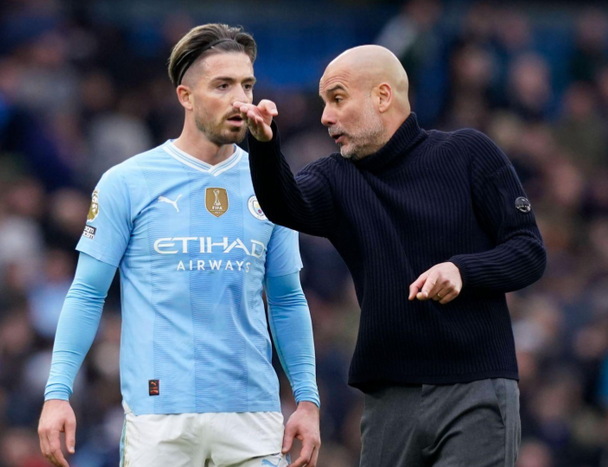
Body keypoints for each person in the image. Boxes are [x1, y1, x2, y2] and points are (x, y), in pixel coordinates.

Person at [235, 45, 546, 467]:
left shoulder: (469, 152)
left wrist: (463, 270)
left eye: (338, 99)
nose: (326, 116)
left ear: (382, 97)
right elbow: (286, 205)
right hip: (389, 399)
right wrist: (264, 146)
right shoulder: (336, 175)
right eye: (325, 103)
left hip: (476, 388)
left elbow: (528, 250)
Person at [38, 24, 321, 467]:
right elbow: (88, 293)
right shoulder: (127, 182)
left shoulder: (271, 184)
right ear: (185, 96)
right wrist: (57, 394)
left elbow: (286, 299)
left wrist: (307, 400)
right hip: (159, 418)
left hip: (252, 417)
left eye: (247, 85)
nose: (239, 99)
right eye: (222, 85)